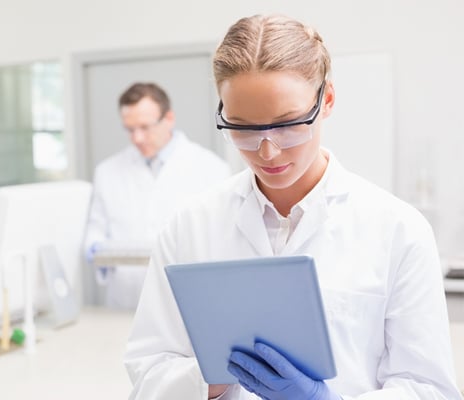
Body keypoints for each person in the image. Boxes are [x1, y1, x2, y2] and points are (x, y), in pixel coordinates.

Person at [125, 14, 461, 399]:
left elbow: (428, 389)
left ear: (327, 100)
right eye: (243, 128)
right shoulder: (189, 227)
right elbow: (146, 376)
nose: (267, 150)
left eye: (288, 124)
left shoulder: (399, 230)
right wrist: (210, 376)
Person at [84, 83, 230, 310]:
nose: (137, 138)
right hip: (125, 301)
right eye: (130, 129)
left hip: (184, 303)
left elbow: (221, 240)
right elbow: (96, 229)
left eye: (145, 127)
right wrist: (94, 248)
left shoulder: (211, 169)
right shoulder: (107, 171)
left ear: (169, 118)